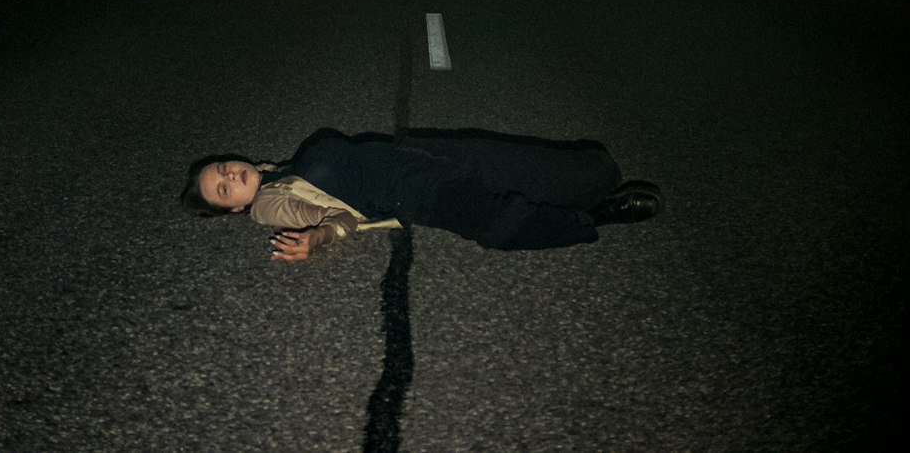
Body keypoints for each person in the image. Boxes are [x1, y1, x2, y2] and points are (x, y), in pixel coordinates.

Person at [180, 128, 663, 262]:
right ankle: (598, 217)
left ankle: (592, 190)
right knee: (498, 226)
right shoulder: (268, 204)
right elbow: (337, 219)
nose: (229, 177)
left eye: (222, 169)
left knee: (578, 171)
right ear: (236, 207)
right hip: (415, 188)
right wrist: (319, 238)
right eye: (222, 190)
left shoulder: (278, 171)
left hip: (425, 154)